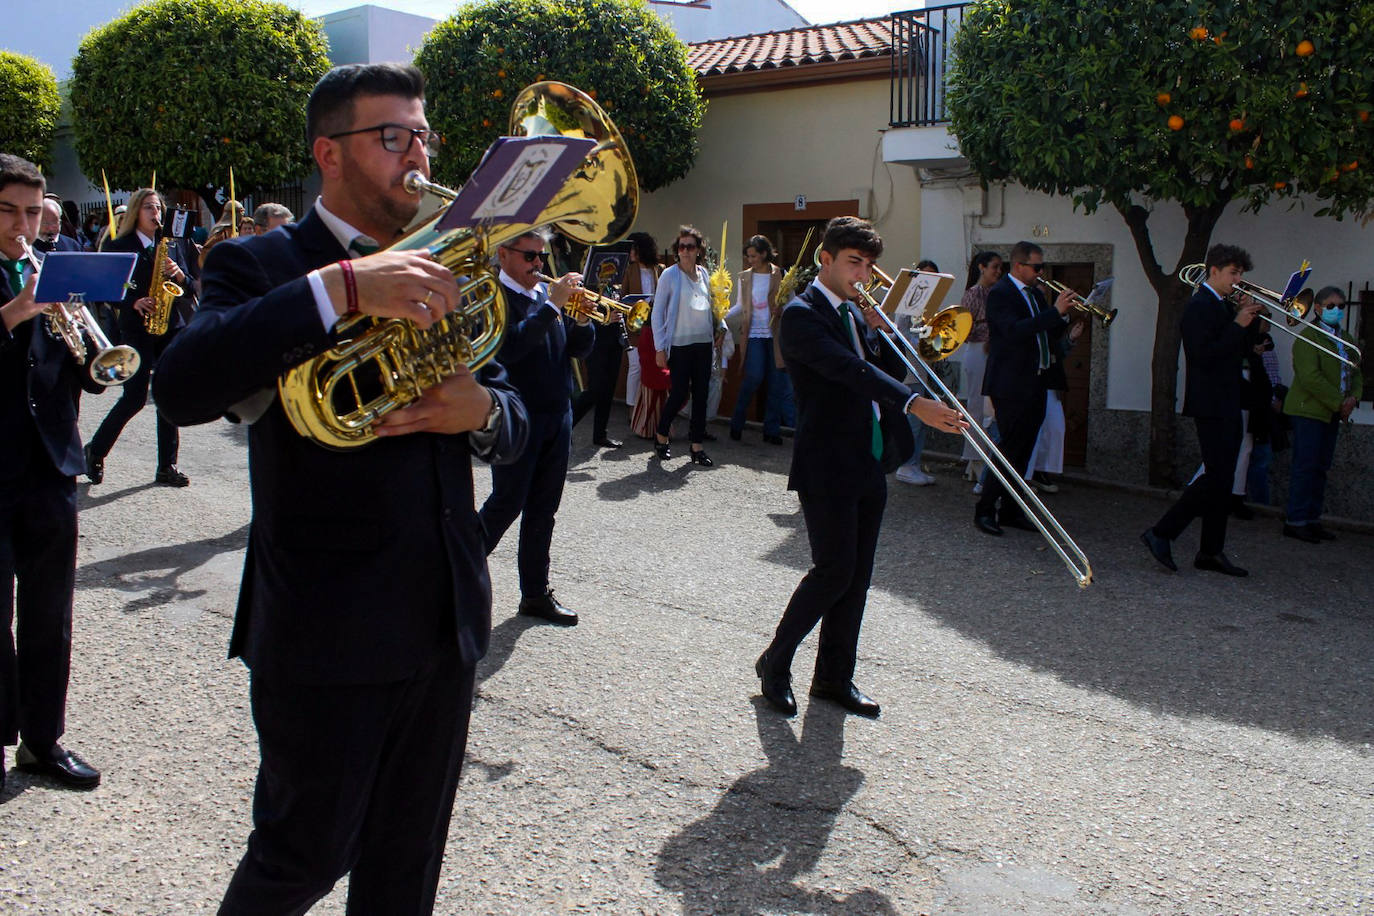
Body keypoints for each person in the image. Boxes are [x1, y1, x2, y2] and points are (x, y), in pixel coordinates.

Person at [152, 62, 530, 912]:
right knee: (299, 859)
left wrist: (477, 409)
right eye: (393, 136)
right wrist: (344, 288)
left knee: (407, 867)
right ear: (331, 153)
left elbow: (516, 422)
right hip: (326, 627)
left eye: (423, 135)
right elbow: (179, 387)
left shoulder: (444, 261)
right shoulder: (260, 263)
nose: (418, 155)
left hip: (443, 618)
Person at [754, 217, 966, 719]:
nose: (864, 274)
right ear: (824, 260)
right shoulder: (802, 315)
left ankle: (832, 677)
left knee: (858, 576)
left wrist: (888, 337)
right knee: (833, 571)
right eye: (854, 262)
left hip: (868, 456)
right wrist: (916, 403)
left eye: (869, 265)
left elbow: (881, 373)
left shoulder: (855, 315)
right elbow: (850, 372)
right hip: (827, 460)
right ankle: (775, 662)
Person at [0, 153, 103, 792]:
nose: (22, 224)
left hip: (49, 464)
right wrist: (16, 311)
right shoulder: (24, 285)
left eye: (32, 211)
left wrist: (91, 343)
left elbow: (82, 371)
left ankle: (42, 741)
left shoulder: (50, 267)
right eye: (8, 210)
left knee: (49, 613)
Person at [479, 230, 592, 626]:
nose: (538, 266)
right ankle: (453, 577)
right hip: (517, 417)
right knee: (506, 503)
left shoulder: (544, 296)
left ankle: (534, 593)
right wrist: (553, 308)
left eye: (541, 258)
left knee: (544, 508)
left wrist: (579, 322)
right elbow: (509, 348)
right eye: (530, 257)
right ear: (503, 254)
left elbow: (576, 350)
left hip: (556, 413)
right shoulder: (493, 298)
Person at [1141, 243, 1261, 576]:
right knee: (1217, 475)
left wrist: (1248, 321)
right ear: (1214, 271)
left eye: (1241, 274)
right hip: (1210, 401)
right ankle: (1162, 532)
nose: (1238, 280)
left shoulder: (1222, 305)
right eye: (1233, 273)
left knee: (1223, 479)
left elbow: (1240, 349)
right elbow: (1203, 355)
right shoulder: (1198, 306)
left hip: (1228, 397)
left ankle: (1210, 550)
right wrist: (1238, 322)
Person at [85, 188, 196, 488]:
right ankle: (95, 451)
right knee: (134, 398)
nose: (156, 213)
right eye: (149, 207)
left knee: (168, 395)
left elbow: (191, 284)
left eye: (158, 207)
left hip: (169, 325)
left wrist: (180, 275)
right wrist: (132, 301)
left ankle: (166, 466)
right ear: (136, 211)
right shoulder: (119, 246)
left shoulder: (172, 244)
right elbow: (107, 288)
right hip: (137, 328)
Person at [973, 241, 1073, 536]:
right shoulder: (1001, 294)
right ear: (1019, 266)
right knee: (1008, 450)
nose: (1041, 272)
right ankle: (984, 510)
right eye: (1037, 267)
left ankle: (1011, 511)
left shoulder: (1036, 295)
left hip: (1037, 380)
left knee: (1025, 452)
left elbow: (1047, 331)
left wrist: (1063, 316)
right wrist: (1053, 312)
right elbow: (1014, 331)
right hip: (1010, 383)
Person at [1281, 286, 1363, 543]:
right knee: (1305, 466)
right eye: (1330, 306)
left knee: (1320, 467)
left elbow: (1356, 372)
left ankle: (1312, 519)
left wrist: (1354, 398)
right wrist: (1340, 402)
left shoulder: (1346, 339)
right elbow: (1310, 378)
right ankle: (1295, 520)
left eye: (1340, 306)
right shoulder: (1309, 337)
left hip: (1332, 412)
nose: (1336, 310)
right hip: (1309, 411)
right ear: (1317, 309)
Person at [652, 225, 724, 466]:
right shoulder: (669, 276)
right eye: (681, 246)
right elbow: (657, 313)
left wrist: (720, 326)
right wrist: (659, 348)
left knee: (701, 395)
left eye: (690, 247)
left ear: (698, 250)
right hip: (679, 344)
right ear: (677, 250)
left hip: (703, 343)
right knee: (680, 392)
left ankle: (696, 446)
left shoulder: (705, 274)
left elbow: (715, 305)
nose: (685, 251)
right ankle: (661, 434)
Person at [726, 234, 793, 445]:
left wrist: (782, 309)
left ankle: (771, 430)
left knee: (776, 383)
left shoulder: (780, 274)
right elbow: (739, 305)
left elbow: (792, 303)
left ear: (764, 254)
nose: (750, 260)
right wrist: (719, 317)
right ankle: (737, 422)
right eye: (748, 256)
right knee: (753, 377)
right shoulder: (744, 276)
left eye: (753, 256)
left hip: (774, 336)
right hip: (753, 334)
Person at [570, 251, 628, 450]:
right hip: (596, 341)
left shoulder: (613, 285)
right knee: (594, 389)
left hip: (614, 340)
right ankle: (566, 425)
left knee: (608, 389)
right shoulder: (587, 285)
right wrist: (605, 317)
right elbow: (584, 312)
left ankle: (600, 434)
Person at [894, 258, 941, 486]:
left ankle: (914, 463)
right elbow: (902, 336)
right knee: (913, 421)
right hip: (910, 370)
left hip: (925, 371)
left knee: (922, 421)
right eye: (924, 275)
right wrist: (926, 344)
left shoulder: (930, 305)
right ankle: (906, 465)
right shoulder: (909, 303)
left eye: (933, 276)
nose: (929, 280)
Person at [957, 251, 1002, 482]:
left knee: (992, 409)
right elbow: (963, 330)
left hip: (995, 352)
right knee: (976, 406)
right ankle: (975, 460)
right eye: (994, 267)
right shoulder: (973, 294)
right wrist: (985, 333)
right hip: (978, 350)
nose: (998, 271)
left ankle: (987, 460)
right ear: (982, 267)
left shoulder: (998, 293)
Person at [621, 231, 660, 412]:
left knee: (651, 366)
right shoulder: (628, 270)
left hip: (654, 325)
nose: (629, 252)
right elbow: (621, 298)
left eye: (633, 248)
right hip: (634, 325)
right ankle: (631, 408)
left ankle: (648, 408)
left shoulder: (659, 269)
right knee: (636, 366)